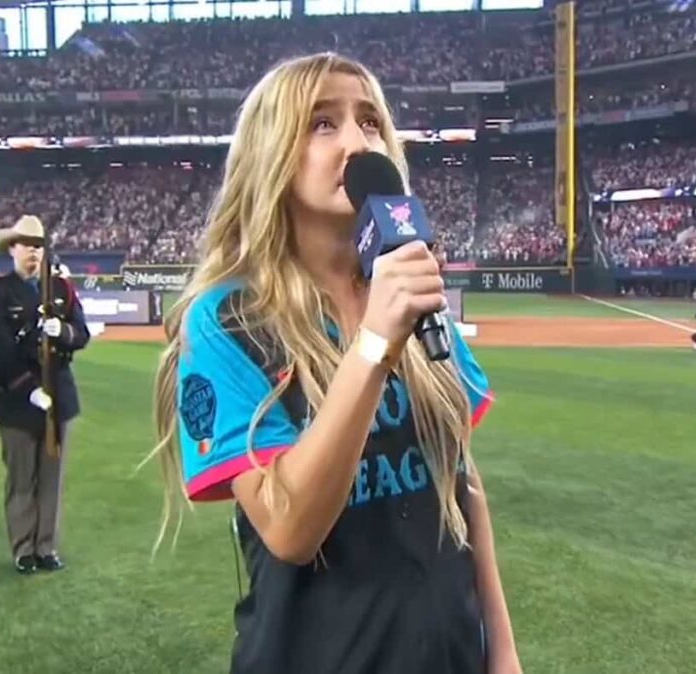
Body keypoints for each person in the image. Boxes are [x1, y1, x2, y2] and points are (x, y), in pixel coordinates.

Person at [149, 53, 521, 674]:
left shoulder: (407, 283)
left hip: (451, 654)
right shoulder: (228, 319)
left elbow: (461, 479)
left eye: (370, 122)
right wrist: (374, 343)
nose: (356, 140)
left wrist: (502, 652)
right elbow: (290, 531)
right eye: (322, 123)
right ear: (271, 153)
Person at [0, 215, 90, 574]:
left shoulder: (60, 289)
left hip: (58, 397)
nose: (34, 253)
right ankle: (23, 548)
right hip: (18, 399)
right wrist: (28, 389)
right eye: (27, 246)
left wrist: (65, 332)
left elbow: (81, 333)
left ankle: (46, 546)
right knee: (21, 478)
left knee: (51, 479)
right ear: (12, 249)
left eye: (39, 247)